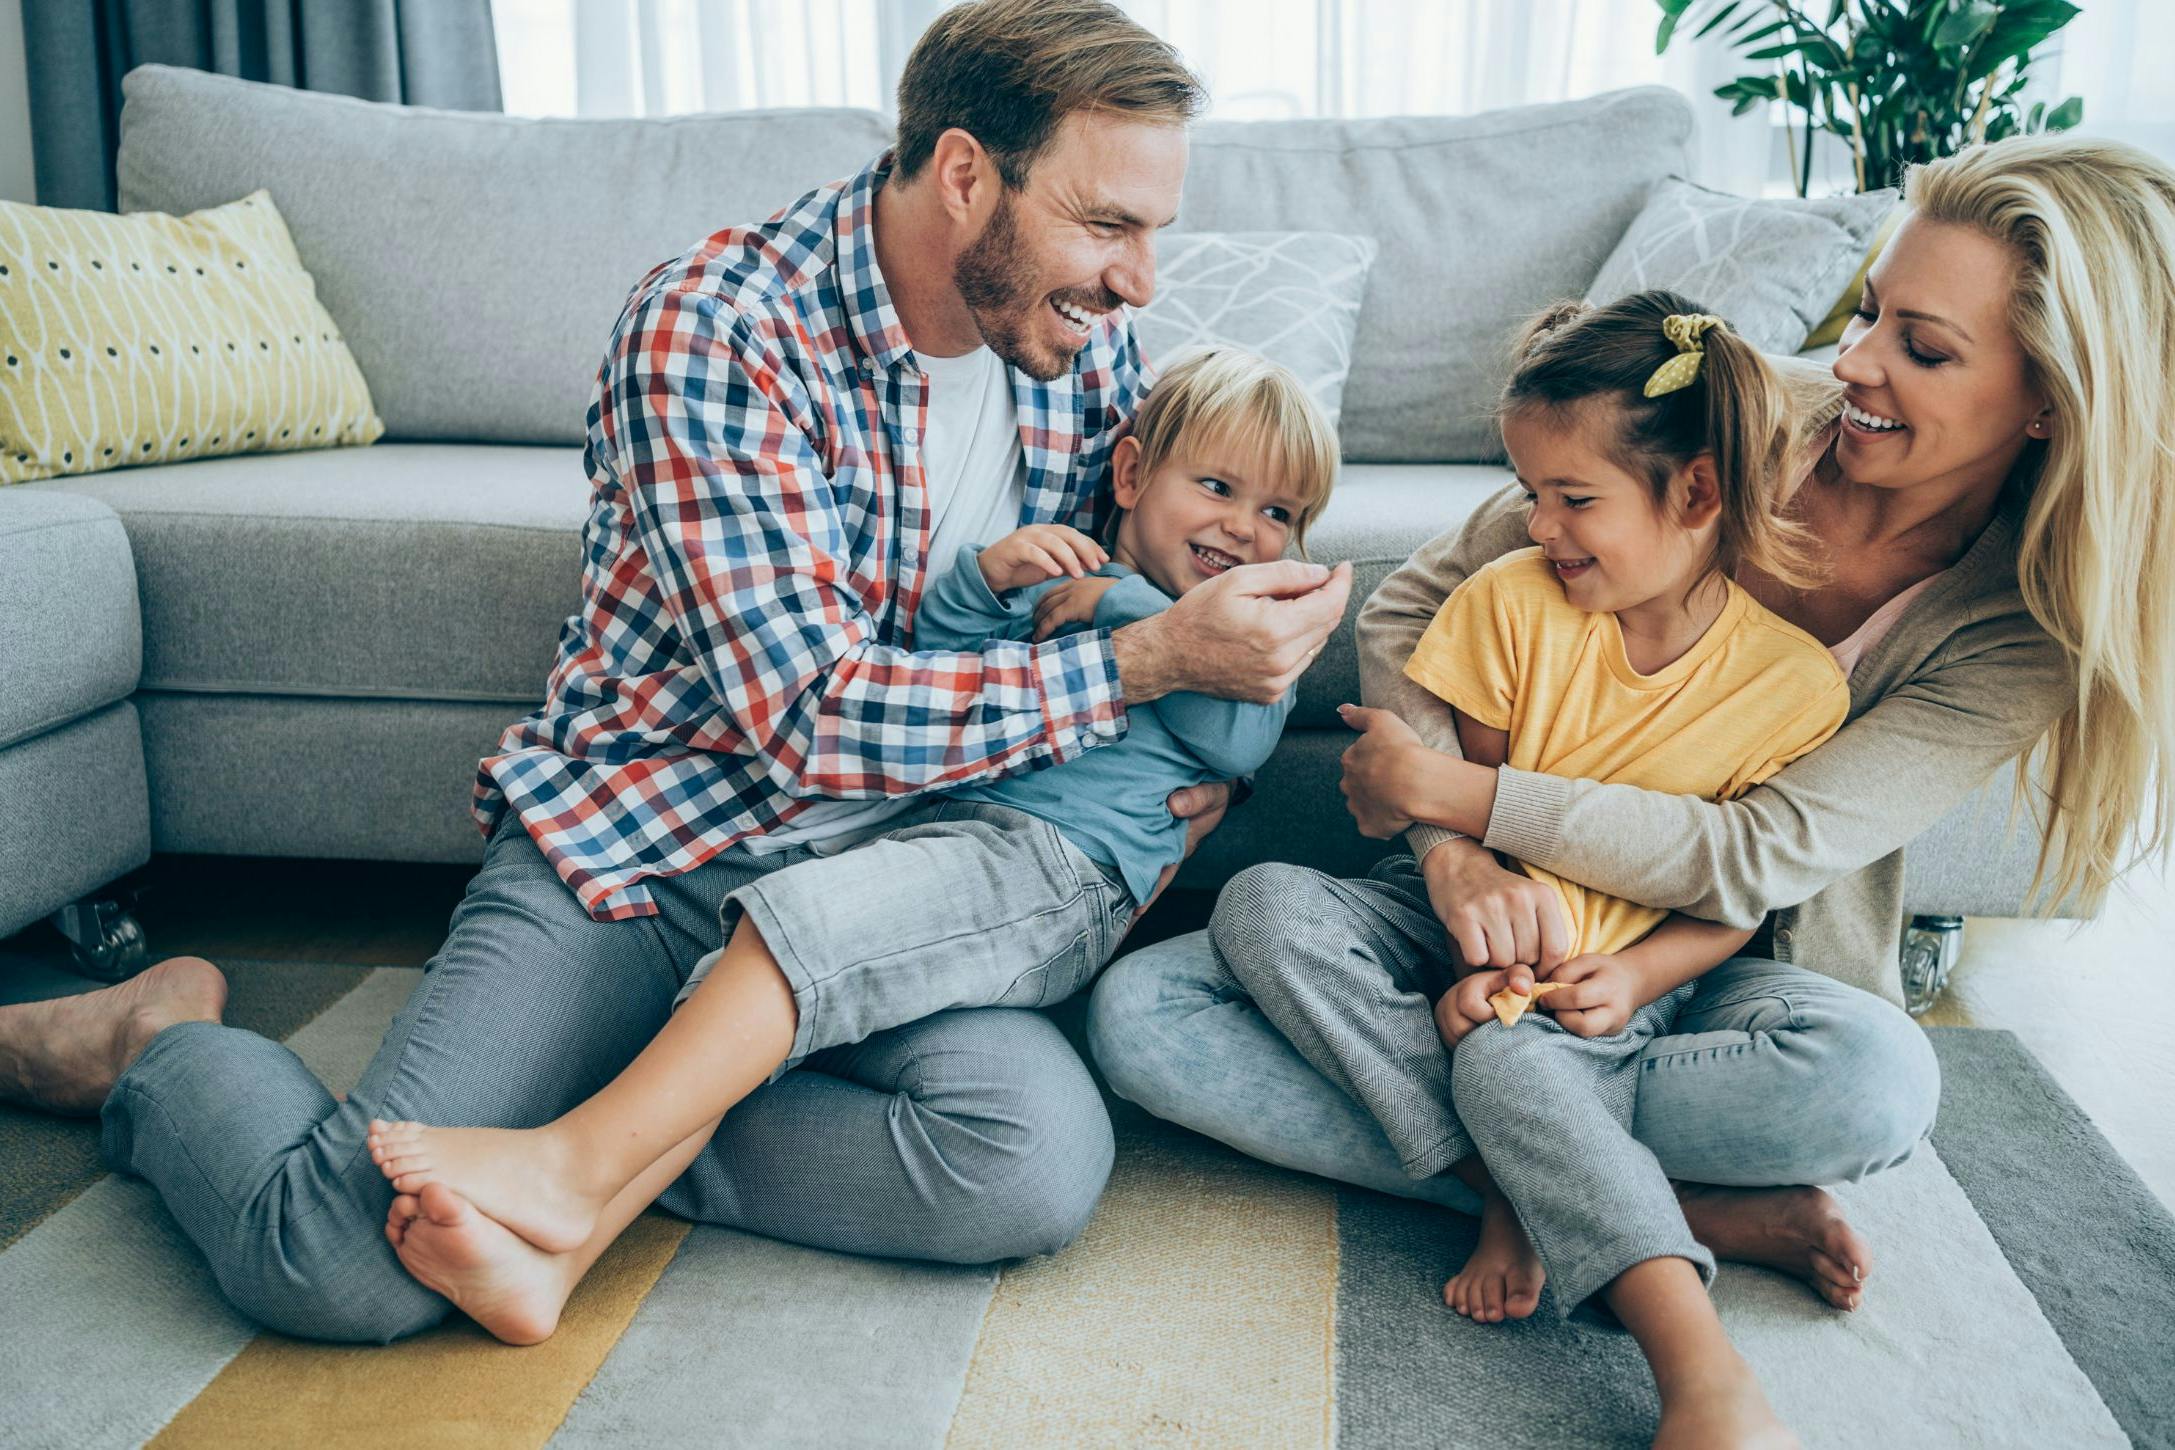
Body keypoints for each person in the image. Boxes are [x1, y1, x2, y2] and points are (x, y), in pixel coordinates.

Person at [0, 0, 1349, 1344]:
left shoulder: (1079, 350)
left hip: (893, 878)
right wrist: (1145, 663)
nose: (1137, 281)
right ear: (960, 175)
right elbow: (809, 717)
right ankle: (156, 1043)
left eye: (1150, 229)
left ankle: (593, 1155)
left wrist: (1193, 742)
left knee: (1022, 1161)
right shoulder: (716, 328)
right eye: (1105, 223)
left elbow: (1154, 591)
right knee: (336, 1264)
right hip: (655, 854)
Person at [1090, 131, 2175, 1450]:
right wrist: (1450, 854)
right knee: (1147, 1011)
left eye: (1922, 348)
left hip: (1702, 964)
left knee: (1874, 1082)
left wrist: (1470, 800)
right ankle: (1650, 1204)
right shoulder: (1717, 408)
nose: (1854, 365)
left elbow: (1757, 856)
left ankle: (1536, 1164)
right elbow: (1424, 599)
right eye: (1869, 313)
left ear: (2048, 397)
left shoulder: (2012, 629)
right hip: (1476, 929)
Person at [359, 348, 1341, 1344]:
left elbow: (1240, 735)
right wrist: (984, 583)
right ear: (1131, 477)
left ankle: (569, 1160)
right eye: (1218, 487)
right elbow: (942, 664)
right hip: (956, 841)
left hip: (1050, 873)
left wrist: (1136, 614)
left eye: (1281, 515)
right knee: (744, 994)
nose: (1244, 527)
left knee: (798, 935)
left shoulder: (1239, 629)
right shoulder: (1072, 574)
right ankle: (561, 1255)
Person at [1231, 291, 1851, 1442]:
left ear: (1699, 493)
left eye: (1574, 498)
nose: (1539, 524)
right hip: (1468, 933)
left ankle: (1699, 1366)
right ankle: (1527, 1183)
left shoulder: (1795, 686)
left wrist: (1637, 982)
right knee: (1259, 904)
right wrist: (1480, 949)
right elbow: (1490, 847)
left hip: (1615, 984)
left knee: (1537, 1064)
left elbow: (1737, 889)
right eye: (1530, 492)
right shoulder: (1510, 603)